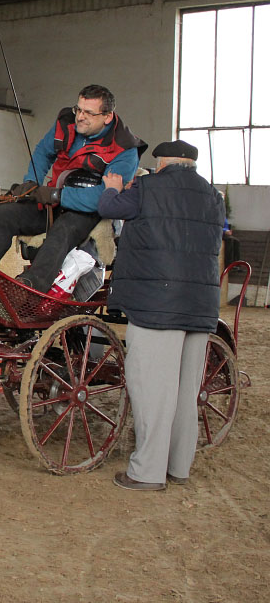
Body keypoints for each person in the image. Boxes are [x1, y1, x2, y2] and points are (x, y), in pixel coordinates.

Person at [99, 140, 223, 491]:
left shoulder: (148, 187)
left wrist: (111, 188)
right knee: (186, 392)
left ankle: (146, 472)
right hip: (200, 304)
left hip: (157, 303)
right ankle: (178, 467)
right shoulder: (213, 196)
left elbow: (108, 207)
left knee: (153, 389)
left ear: (163, 162)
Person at [0, 85, 146, 292]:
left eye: (89, 113)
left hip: (90, 212)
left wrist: (59, 195)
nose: (80, 117)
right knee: (1, 216)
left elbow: (104, 196)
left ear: (107, 116)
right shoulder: (65, 124)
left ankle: (31, 286)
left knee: (63, 230)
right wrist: (31, 181)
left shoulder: (125, 149)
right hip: (54, 201)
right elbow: (42, 152)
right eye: (78, 110)